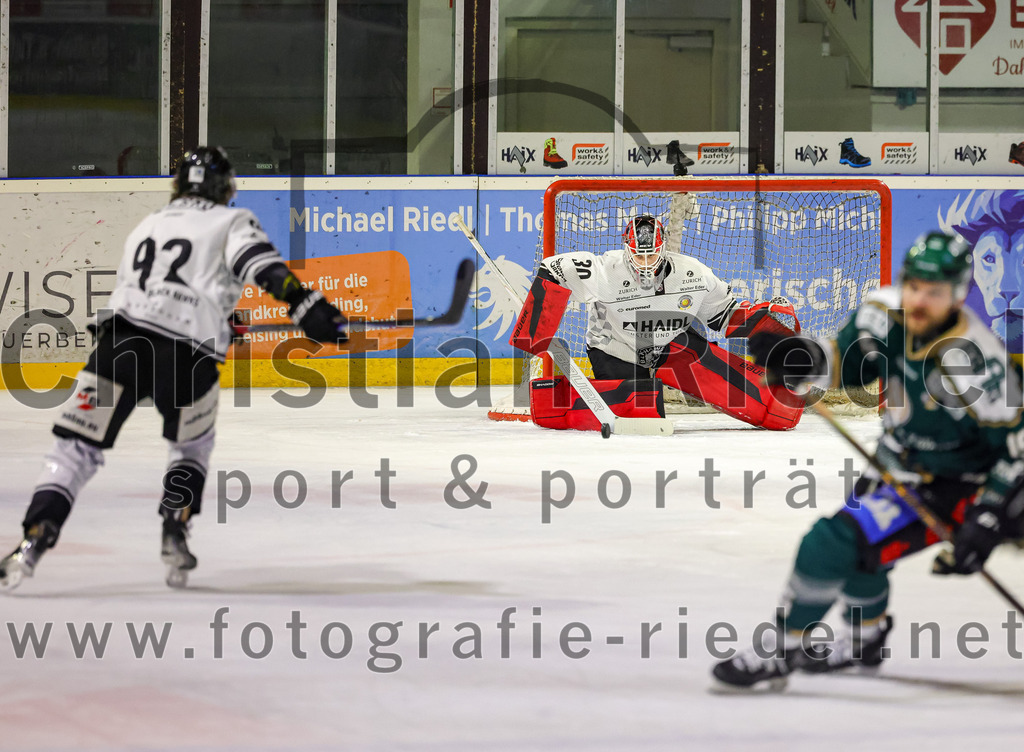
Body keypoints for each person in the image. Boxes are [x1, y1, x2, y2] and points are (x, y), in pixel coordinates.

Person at [0, 146, 347, 590]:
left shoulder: (150, 223)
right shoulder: (231, 221)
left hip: (119, 347)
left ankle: (35, 537)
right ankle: (174, 531)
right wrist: (306, 305)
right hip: (185, 357)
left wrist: (222, 318)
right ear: (226, 188)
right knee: (191, 447)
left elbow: (157, 293)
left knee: (75, 448)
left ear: (178, 184)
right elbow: (262, 267)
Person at [711, 231, 1024, 690]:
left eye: (934, 292)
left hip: (962, 485)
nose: (919, 300)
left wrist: (990, 516)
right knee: (861, 555)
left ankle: (784, 648)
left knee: (829, 542)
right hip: (896, 467)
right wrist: (801, 357)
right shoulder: (882, 315)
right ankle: (866, 638)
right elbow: (844, 364)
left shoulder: (977, 363)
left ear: (959, 294)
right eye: (914, 285)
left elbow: (1017, 450)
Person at [511, 213, 803, 431]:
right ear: (627, 249)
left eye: (652, 254)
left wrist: (765, 320)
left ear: (664, 249)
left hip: (669, 343)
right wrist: (534, 329)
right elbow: (554, 268)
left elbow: (724, 315)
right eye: (639, 255)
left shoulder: (694, 273)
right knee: (640, 416)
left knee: (764, 403)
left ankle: (776, 406)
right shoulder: (604, 270)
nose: (646, 262)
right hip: (615, 346)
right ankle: (553, 402)